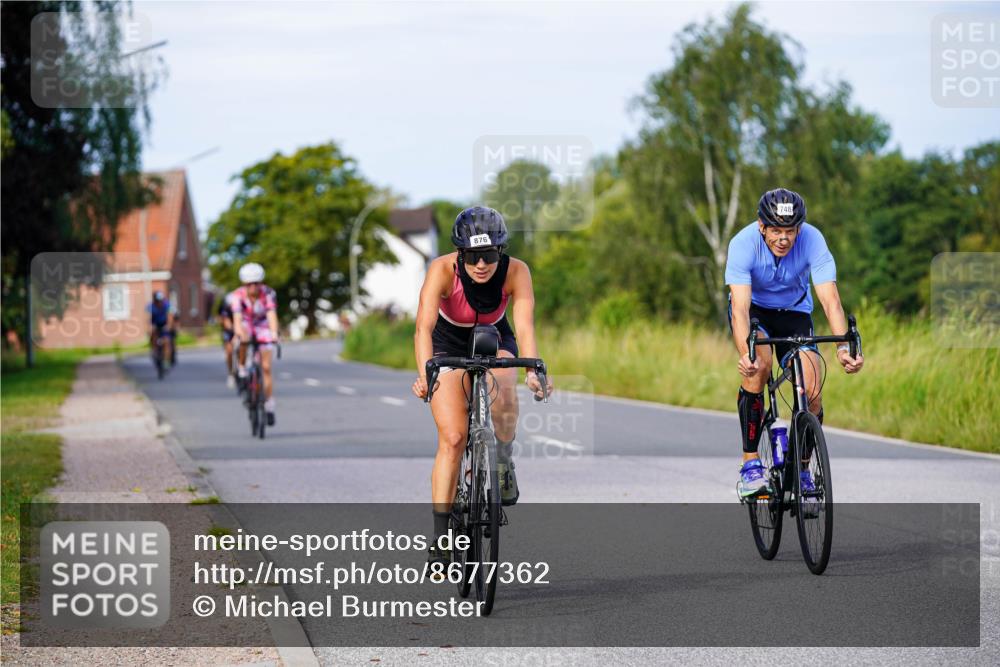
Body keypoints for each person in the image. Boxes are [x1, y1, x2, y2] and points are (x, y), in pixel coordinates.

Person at [411, 206, 552, 569]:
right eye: (472, 256)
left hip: (493, 336)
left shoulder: (516, 271)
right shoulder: (442, 270)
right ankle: (441, 539)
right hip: (448, 342)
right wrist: (426, 374)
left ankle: (502, 459)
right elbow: (423, 327)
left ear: (500, 251)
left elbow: (525, 326)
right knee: (454, 438)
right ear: (460, 253)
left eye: (489, 255)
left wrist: (533, 371)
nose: (481, 265)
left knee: (504, 385)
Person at [725, 188, 864, 499]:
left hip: (795, 313)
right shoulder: (742, 244)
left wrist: (843, 349)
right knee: (759, 368)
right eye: (776, 230)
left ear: (799, 228)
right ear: (762, 226)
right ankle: (750, 464)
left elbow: (830, 300)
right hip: (756, 313)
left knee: (812, 391)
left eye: (790, 230)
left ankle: (801, 469)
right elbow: (740, 309)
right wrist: (746, 354)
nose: (783, 238)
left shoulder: (813, 239)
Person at [231, 263, 280, 426]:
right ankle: (242, 368)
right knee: (243, 338)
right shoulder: (237, 296)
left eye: (256, 283)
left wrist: (274, 334)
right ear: (244, 284)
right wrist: (239, 333)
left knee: (266, 367)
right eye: (249, 284)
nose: (253, 287)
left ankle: (269, 404)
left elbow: (271, 315)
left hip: (262, 324)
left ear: (261, 282)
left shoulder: (268, 293)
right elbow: (237, 319)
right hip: (246, 323)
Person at [147, 291, 175, 364]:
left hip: (164, 324)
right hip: (155, 324)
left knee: (167, 341)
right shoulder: (151, 306)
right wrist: (149, 327)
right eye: (157, 301)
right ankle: (154, 350)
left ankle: (166, 360)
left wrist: (168, 326)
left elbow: (170, 316)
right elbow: (148, 317)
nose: (159, 303)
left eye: (160, 301)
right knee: (153, 335)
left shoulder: (167, 305)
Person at [218, 291, 237, 389]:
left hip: (240, 328)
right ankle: (231, 373)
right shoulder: (225, 307)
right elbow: (226, 321)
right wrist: (234, 331)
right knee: (229, 351)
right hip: (229, 331)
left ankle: (242, 368)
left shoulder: (242, 305)